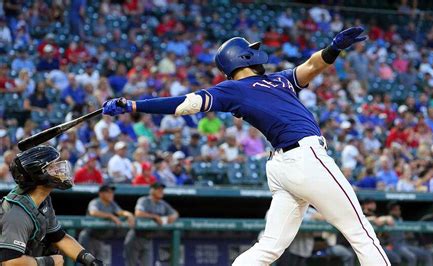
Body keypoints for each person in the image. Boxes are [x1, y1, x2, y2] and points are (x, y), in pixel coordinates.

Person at [102, 27, 390, 265]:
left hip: (285, 167)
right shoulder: (232, 89)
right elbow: (185, 104)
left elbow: (313, 65)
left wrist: (334, 48)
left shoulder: (279, 79)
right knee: (362, 233)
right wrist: (134, 104)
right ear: (242, 57)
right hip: (304, 158)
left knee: (268, 247)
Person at [0, 145, 102, 265]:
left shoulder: (43, 200)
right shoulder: (16, 214)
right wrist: (50, 261)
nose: (59, 169)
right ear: (38, 175)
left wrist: (91, 261)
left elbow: (58, 237)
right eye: (52, 166)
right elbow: (10, 263)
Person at [124, 182, 179, 266]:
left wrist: (172, 217)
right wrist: (155, 217)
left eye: (162, 190)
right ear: (152, 190)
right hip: (136, 236)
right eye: (158, 189)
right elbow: (138, 213)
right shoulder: (144, 200)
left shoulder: (162, 204)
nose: (161, 191)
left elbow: (175, 213)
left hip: (148, 239)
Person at [78, 184, 135, 262]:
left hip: (100, 238)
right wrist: (110, 216)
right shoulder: (95, 202)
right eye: (108, 192)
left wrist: (129, 214)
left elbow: (120, 212)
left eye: (112, 192)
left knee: (99, 262)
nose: (111, 194)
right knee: (86, 262)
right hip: (89, 236)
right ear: (101, 194)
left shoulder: (112, 204)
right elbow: (93, 212)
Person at [386, 202, 433, 266]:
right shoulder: (388, 219)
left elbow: (404, 234)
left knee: (427, 254)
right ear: (391, 211)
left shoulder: (400, 219)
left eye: (399, 210)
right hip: (395, 246)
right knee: (412, 257)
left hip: (405, 244)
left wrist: (408, 235)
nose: (398, 212)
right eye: (396, 210)